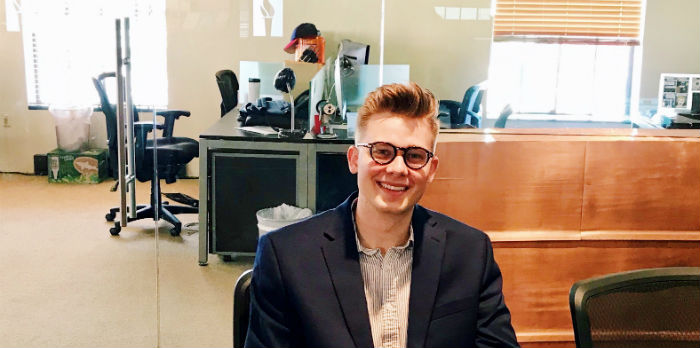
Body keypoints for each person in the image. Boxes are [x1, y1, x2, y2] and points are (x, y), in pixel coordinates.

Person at [245, 82, 519, 348]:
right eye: (382, 152)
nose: (398, 168)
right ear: (354, 159)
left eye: (414, 156)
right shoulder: (286, 257)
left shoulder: (470, 252)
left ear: (431, 169)